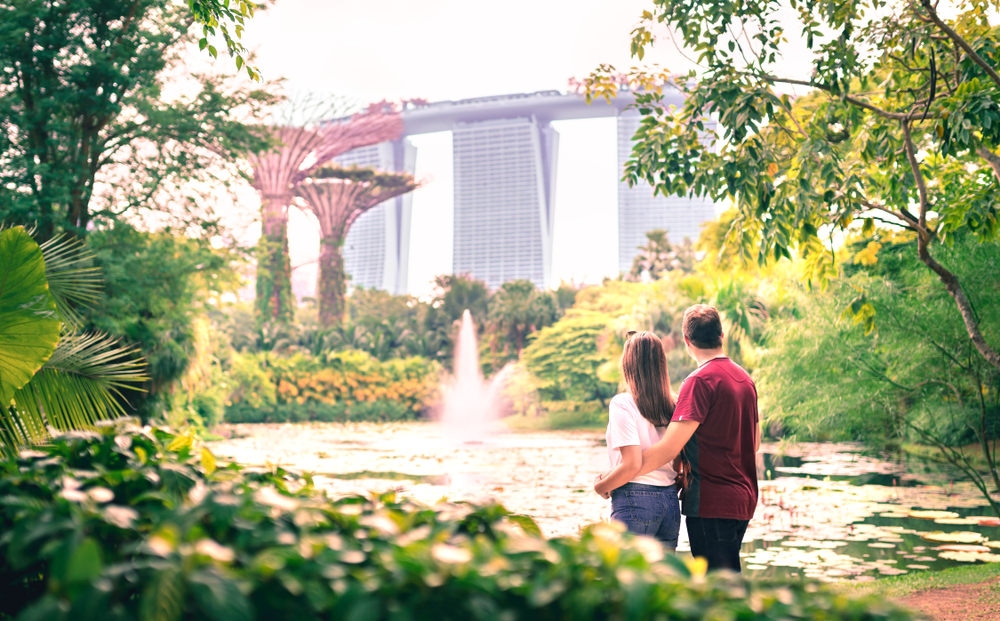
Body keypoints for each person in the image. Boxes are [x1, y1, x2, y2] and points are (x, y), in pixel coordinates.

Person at [630, 304, 760, 572]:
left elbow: (669, 448)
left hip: (712, 503)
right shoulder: (745, 379)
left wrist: (624, 473)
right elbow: (754, 443)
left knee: (720, 589)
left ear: (687, 342)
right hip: (743, 499)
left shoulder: (699, 381)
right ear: (721, 335)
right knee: (725, 579)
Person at [593, 330, 681, 549]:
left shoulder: (623, 403)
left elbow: (632, 464)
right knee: (662, 580)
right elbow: (680, 460)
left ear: (628, 365)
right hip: (670, 502)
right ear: (661, 364)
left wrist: (601, 486)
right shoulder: (676, 403)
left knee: (626, 579)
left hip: (634, 499)